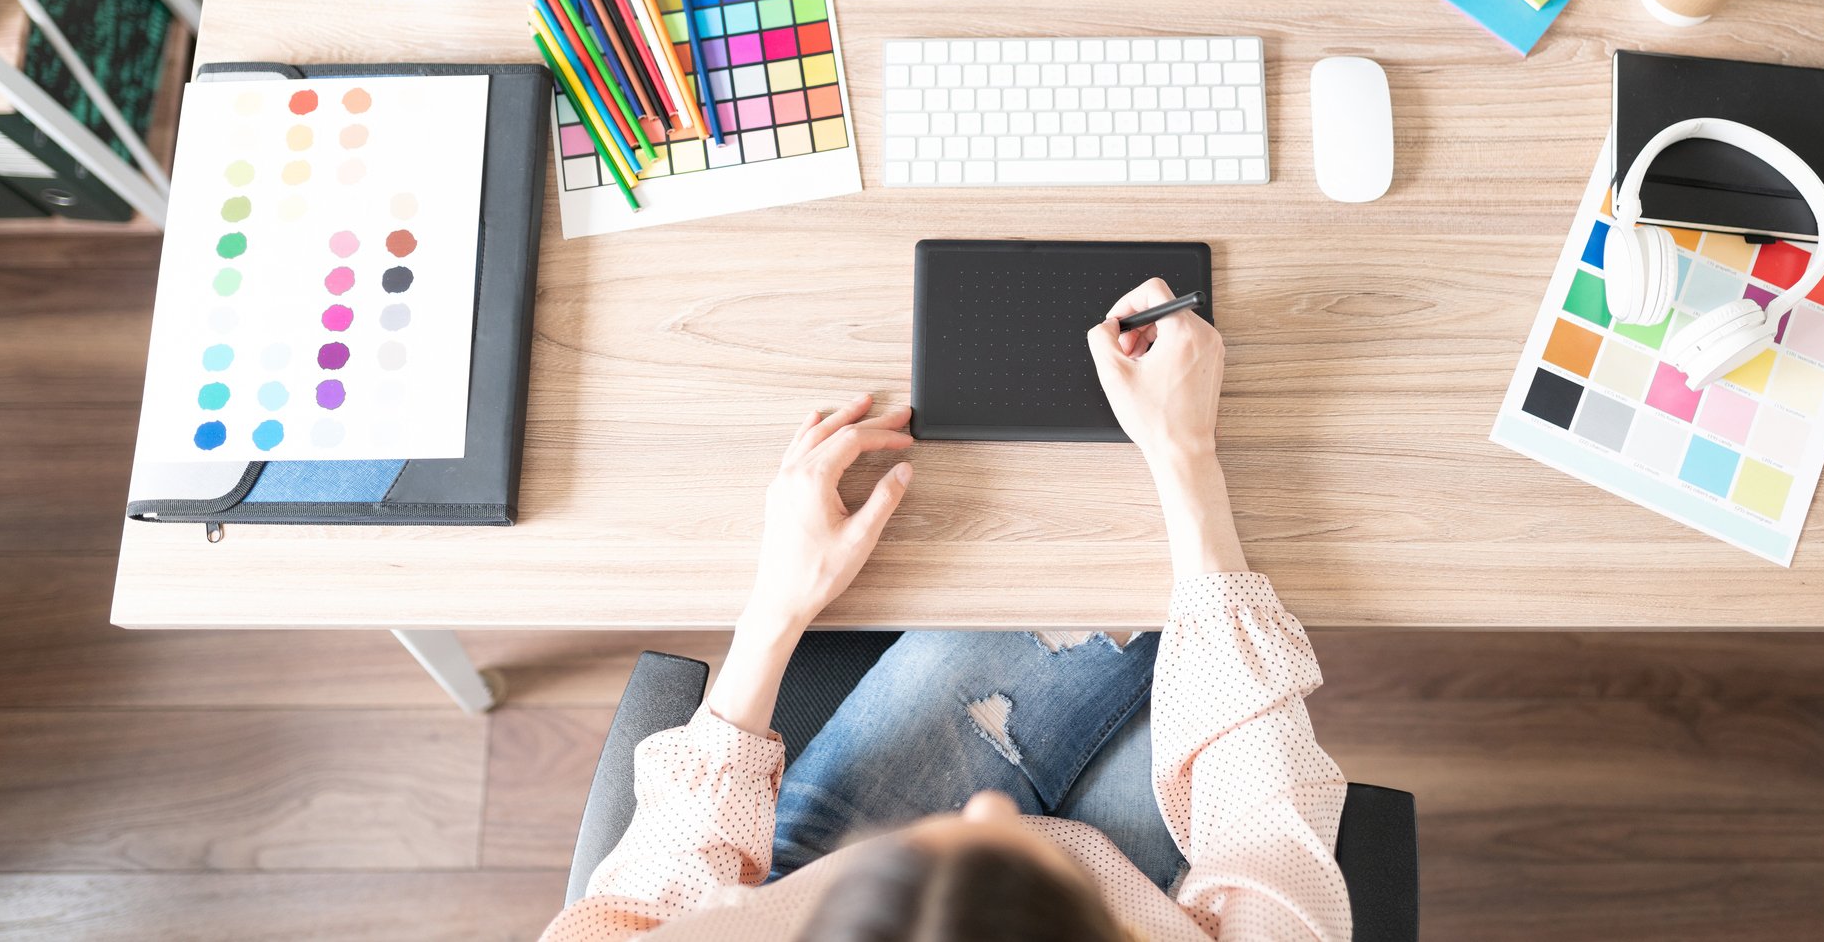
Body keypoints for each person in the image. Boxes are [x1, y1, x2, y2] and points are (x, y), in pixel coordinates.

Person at [543, 278, 1351, 941]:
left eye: (949, 842)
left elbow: (643, 898)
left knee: (1104, 605)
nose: (984, 812)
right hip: (1146, 909)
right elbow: (1265, 825)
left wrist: (776, 608)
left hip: (824, 882)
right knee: (1188, 647)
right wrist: (1185, 455)